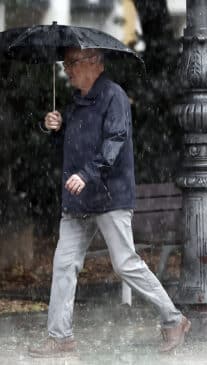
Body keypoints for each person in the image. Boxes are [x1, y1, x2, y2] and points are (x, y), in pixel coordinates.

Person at [29, 47, 191, 357]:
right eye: (65, 64)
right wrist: (53, 128)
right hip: (78, 201)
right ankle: (60, 336)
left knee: (125, 263)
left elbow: (115, 141)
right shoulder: (75, 103)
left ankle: (174, 319)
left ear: (95, 64)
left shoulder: (113, 96)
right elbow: (71, 146)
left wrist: (88, 174)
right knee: (64, 265)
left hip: (109, 196)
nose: (67, 69)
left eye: (72, 63)